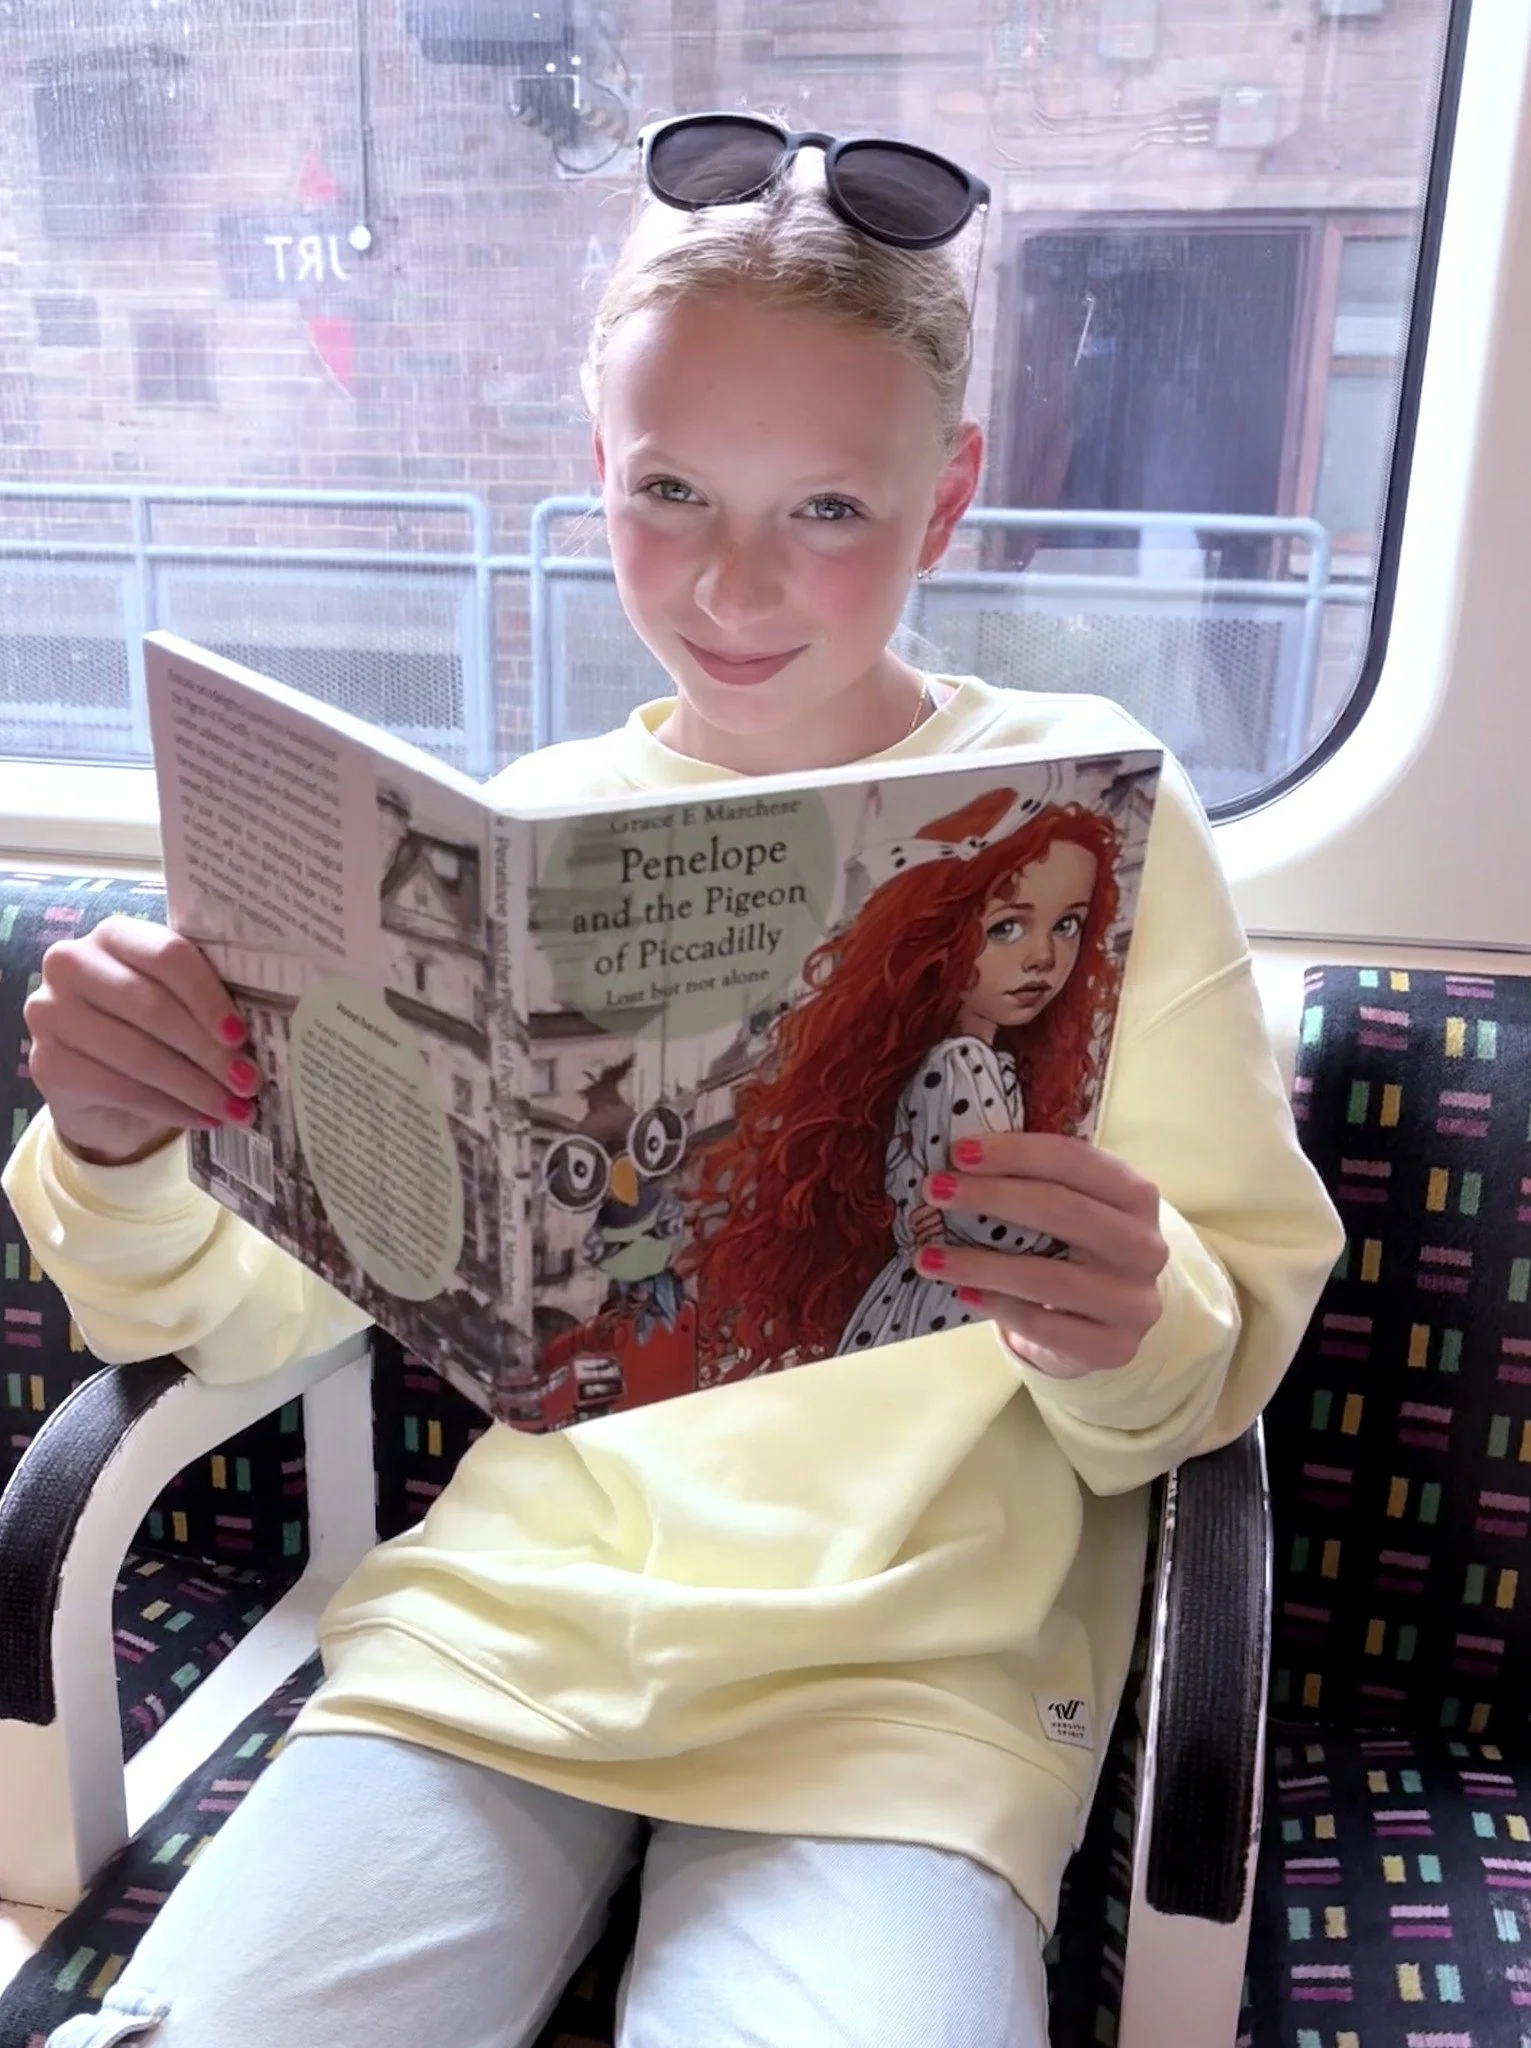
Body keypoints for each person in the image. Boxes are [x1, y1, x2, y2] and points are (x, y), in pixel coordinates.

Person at [6, 113, 1343, 2048]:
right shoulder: (522, 829)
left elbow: (1206, 1367)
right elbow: (247, 1318)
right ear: (597, 466)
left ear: (947, 499)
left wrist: (1130, 1318)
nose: (731, 582)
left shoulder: (1084, 826)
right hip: (499, 1642)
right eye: (670, 490)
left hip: (903, 1690)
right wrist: (125, 1144)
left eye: (828, 508)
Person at [683, 796, 1125, 1368]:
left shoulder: (973, 1063)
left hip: (927, 1301)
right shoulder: (962, 1063)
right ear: (938, 943)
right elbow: (990, 1225)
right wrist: (1072, 1233)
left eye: (1067, 926)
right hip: (952, 1308)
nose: (1042, 956)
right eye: (1005, 928)